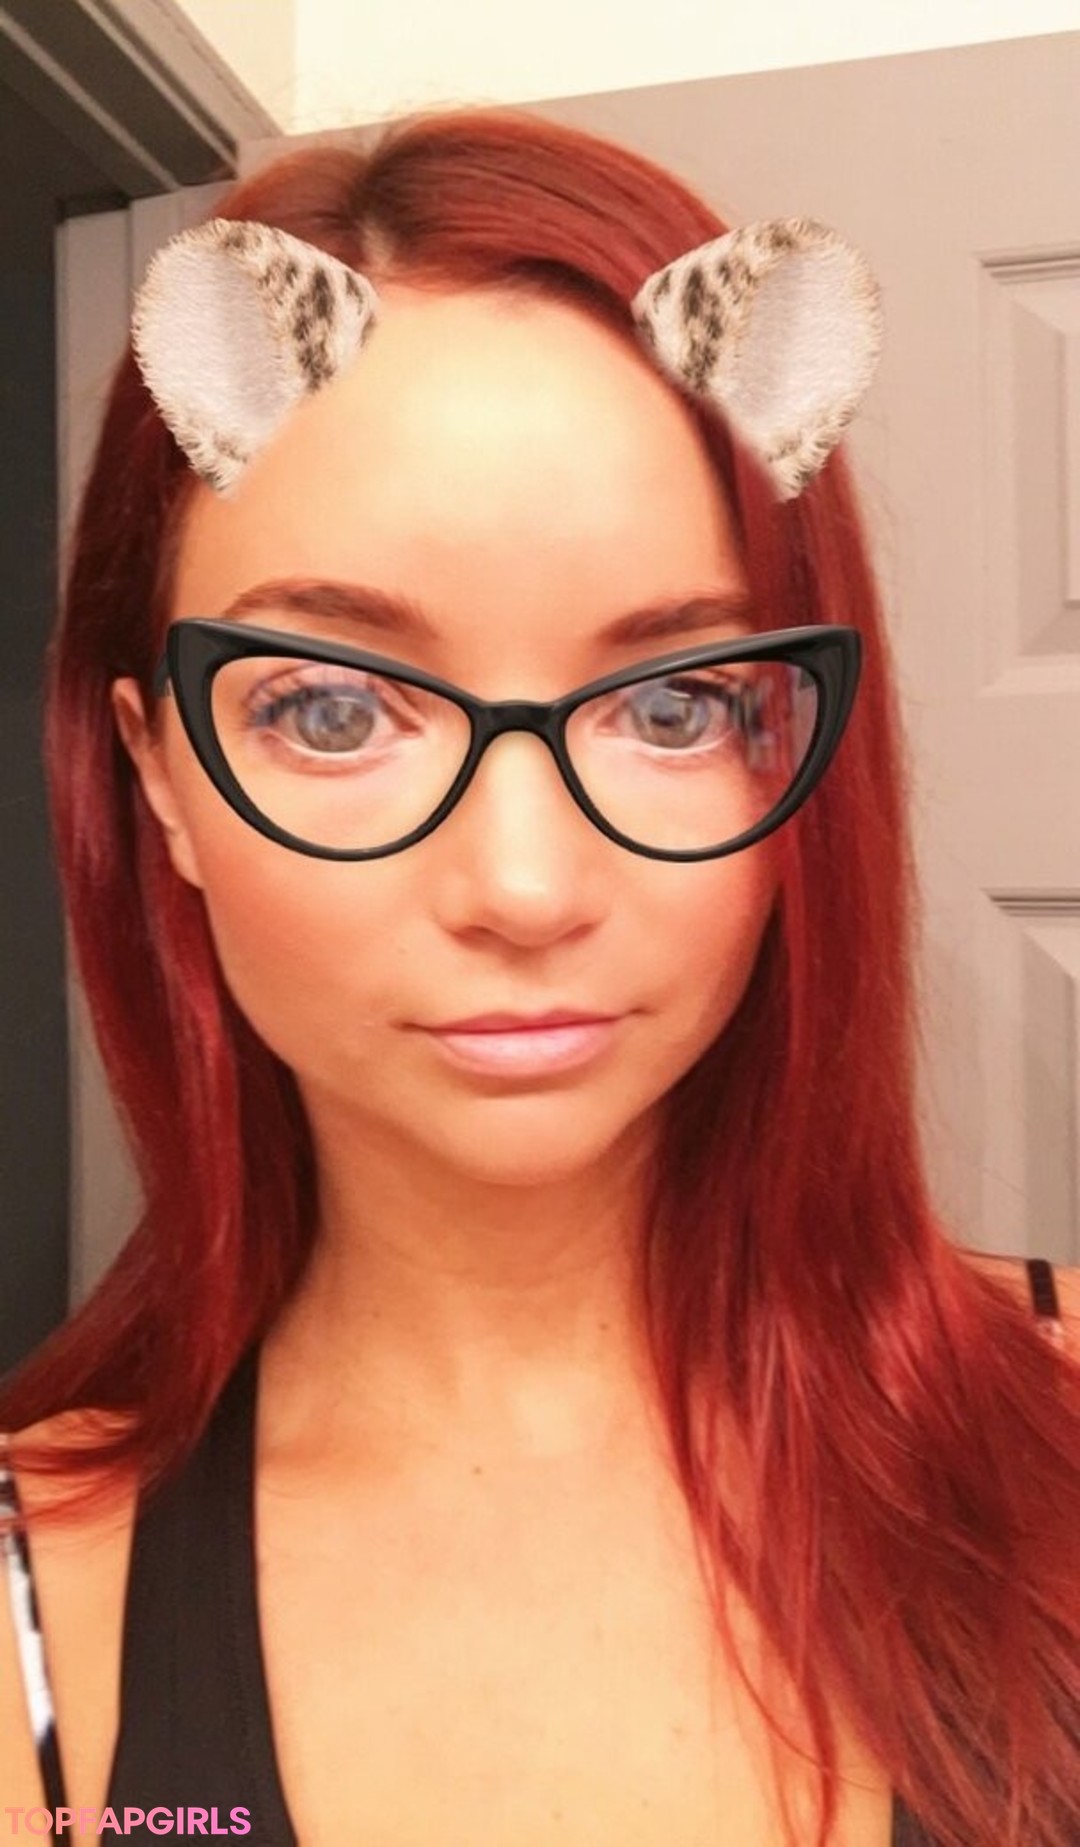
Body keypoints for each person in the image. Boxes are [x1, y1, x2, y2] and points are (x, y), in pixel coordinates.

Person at [0, 105, 1077, 1847]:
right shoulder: (33, 1605)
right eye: (330, 709)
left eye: (676, 705)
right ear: (160, 782)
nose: (524, 886)